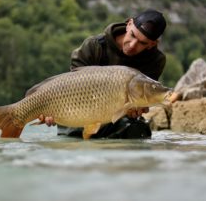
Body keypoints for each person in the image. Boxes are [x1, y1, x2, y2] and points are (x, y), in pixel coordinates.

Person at [41, 9, 167, 139]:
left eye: (142, 43)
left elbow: (143, 100)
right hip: (77, 113)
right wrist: (51, 111)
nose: (132, 45)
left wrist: (137, 109)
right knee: (73, 141)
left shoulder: (156, 60)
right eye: (133, 35)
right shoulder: (93, 46)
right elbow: (70, 89)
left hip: (117, 121)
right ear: (129, 24)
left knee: (138, 131)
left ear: (152, 44)